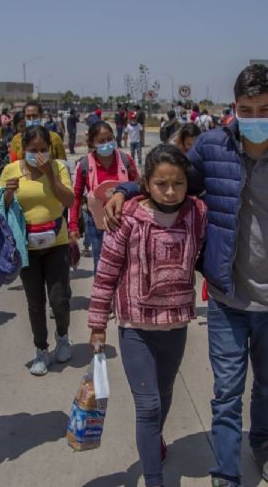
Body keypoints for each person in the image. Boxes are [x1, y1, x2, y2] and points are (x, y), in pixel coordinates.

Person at [105, 64, 268, 487]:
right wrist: (127, 190)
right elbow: (172, 181)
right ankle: (227, 470)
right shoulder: (212, 148)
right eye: (246, 109)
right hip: (227, 300)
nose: (255, 118)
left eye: (265, 108)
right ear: (235, 108)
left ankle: (263, 443)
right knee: (227, 392)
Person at [88, 144, 208, 487]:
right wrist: (97, 325)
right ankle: (154, 478)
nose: (170, 192)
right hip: (136, 328)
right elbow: (106, 272)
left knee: (165, 392)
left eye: (178, 183)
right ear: (146, 184)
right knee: (149, 405)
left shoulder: (197, 213)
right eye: (161, 184)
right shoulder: (126, 217)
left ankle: (153, 440)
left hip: (175, 326)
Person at [1, 125, 75, 376]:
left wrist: (49, 174)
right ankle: (41, 351)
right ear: (23, 150)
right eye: (33, 150)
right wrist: (8, 193)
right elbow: (0, 207)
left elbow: (69, 200)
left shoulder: (59, 167)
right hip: (27, 246)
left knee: (59, 298)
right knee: (35, 302)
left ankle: (63, 337)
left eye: (43, 149)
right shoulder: (10, 170)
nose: (39, 154)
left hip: (57, 242)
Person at [69, 121, 139, 272]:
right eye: (101, 141)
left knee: (127, 266)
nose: (106, 144)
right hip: (97, 224)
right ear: (92, 143)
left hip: (124, 221)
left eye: (109, 139)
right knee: (102, 266)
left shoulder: (126, 160)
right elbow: (75, 196)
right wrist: (73, 225)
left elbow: (138, 187)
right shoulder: (84, 164)